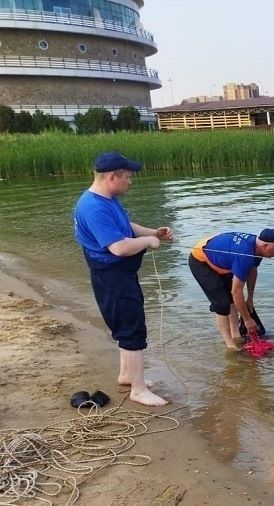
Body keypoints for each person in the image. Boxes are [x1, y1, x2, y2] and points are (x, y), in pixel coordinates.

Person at [73, 152, 173, 407]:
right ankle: (138, 390)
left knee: (127, 324)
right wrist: (148, 242)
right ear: (111, 176)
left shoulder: (106, 199)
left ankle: (127, 375)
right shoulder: (93, 207)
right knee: (131, 328)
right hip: (111, 277)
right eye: (127, 177)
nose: (131, 181)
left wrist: (153, 232)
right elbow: (118, 247)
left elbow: (124, 225)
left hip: (120, 275)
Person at [189, 229, 274, 350]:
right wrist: (247, 320)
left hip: (224, 259)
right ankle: (230, 344)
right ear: (265, 246)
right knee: (222, 303)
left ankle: (236, 335)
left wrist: (250, 298)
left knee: (232, 299)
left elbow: (252, 271)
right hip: (201, 260)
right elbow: (236, 291)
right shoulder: (244, 255)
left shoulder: (256, 249)